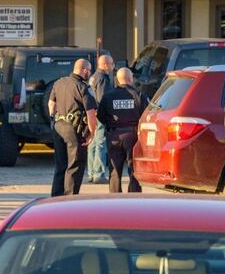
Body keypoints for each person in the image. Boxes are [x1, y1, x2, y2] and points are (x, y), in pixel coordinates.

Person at [47, 58, 97, 196]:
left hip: (58, 127)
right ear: (84, 70)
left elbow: (51, 104)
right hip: (74, 130)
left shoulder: (58, 83)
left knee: (60, 165)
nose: (90, 73)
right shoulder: (83, 87)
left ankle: (55, 197)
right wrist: (92, 133)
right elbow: (91, 112)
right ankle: (69, 200)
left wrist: (53, 120)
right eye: (89, 70)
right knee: (74, 166)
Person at [96, 67, 149, 193]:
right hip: (132, 135)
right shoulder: (139, 95)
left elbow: (100, 116)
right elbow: (146, 115)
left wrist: (110, 125)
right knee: (134, 168)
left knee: (114, 169)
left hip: (114, 135)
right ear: (131, 79)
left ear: (117, 80)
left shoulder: (108, 96)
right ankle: (134, 197)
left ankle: (115, 199)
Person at [87, 54, 115, 184]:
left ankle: (91, 173)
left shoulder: (93, 77)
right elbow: (103, 98)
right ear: (105, 65)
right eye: (111, 63)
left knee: (92, 143)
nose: (112, 66)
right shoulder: (103, 78)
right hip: (100, 115)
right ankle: (99, 174)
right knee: (101, 143)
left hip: (92, 113)